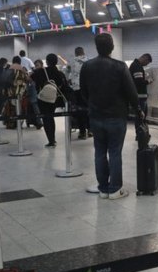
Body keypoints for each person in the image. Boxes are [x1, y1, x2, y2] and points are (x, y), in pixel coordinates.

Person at [80, 33, 140, 200]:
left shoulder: (87, 66)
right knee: (115, 152)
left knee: (99, 152)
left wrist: (93, 104)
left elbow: (84, 92)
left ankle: (103, 188)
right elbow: (131, 92)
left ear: (96, 47)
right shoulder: (120, 67)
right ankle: (115, 189)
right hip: (116, 115)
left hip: (95, 116)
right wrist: (137, 108)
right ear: (112, 47)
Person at [31, 53, 68, 147]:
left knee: (46, 118)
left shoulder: (41, 72)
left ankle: (51, 140)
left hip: (43, 99)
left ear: (46, 62)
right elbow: (64, 86)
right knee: (51, 117)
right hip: (54, 99)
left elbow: (30, 78)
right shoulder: (60, 73)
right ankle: (53, 139)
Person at [67, 47, 90, 139]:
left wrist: (69, 80)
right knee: (89, 109)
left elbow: (66, 72)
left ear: (75, 53)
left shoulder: (72, 62)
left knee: (80, 110)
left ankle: (82, 132)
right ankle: (91, 130)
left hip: (77, 89)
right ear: (83, 52)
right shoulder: (89, 61)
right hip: (88, 88)